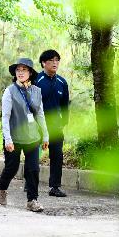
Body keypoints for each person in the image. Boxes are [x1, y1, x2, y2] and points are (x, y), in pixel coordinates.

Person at [0, 58, 49, 213]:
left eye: (24, 70)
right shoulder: (10, 91)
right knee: (11, 168)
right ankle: (2, 188)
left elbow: (40, 115)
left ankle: (32, 200)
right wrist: (7, 139)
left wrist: (45, 136)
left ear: (30, 73)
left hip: (32, 137)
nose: (20, 72)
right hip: (13, 137)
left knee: (33, 169)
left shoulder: (37, 91)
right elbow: (5, 117)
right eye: (18, 70)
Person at [36, 49, 70, 197]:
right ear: (44, 62)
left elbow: (65, 105)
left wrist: (64, 121)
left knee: (57, 155)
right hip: (38, 125)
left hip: (56, 126)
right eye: (51, 60)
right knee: (33, 155)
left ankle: (54, 186)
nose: (55, 63)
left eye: (57, 60)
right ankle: (30, 183)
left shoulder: (62, 82)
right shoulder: (36, 80)